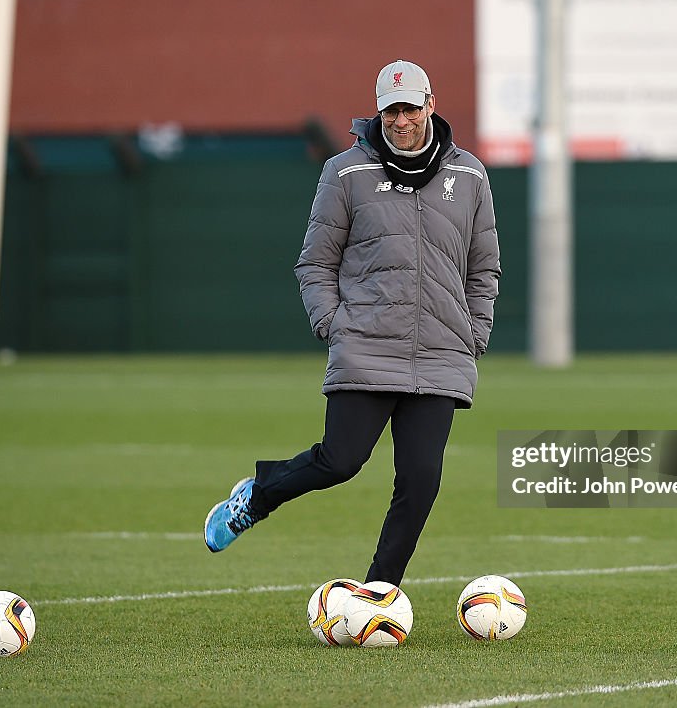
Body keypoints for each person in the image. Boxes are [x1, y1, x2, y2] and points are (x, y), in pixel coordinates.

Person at [203, 60, 500, 586]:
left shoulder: (470, 174)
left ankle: (379, 591)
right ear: (378, 111)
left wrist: (473, 335)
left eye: (410, 109)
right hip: (365, 345)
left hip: (441, 353)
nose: (401, 121)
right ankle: (258, 495)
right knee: (340, 461)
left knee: (420, 482)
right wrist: (334, 325)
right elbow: (315, 262)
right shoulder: (345, 172)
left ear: (431, 105)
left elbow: (484, 265)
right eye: (391, 111)